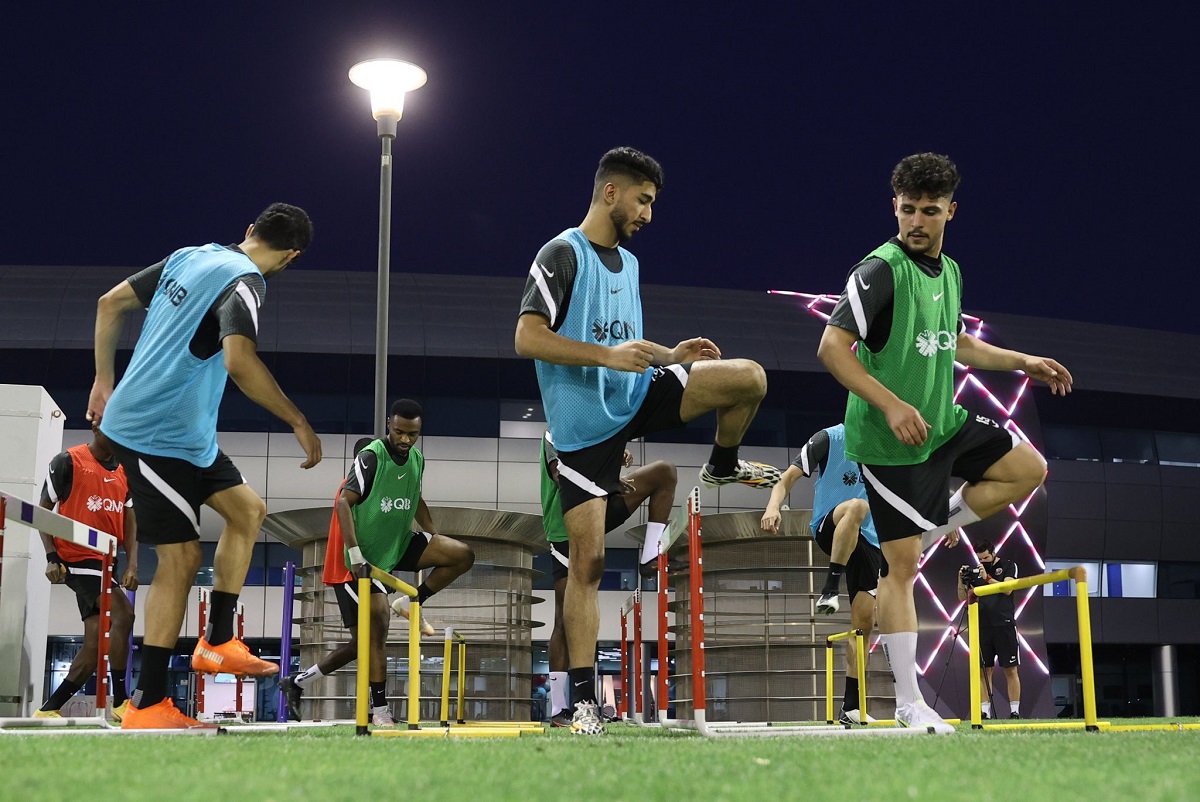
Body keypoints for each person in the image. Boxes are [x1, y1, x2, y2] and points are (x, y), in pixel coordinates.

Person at [515, 146, 780, 736]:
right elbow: (527, 337)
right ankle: (583, 704)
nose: (648, 215)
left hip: (636, 396)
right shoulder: (560, 254)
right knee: (586, 564)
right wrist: (605, 356)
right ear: (611, 192)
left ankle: (723, 464)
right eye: (644, 200)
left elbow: (627, 340)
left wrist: (671, 355)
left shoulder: (629, 266)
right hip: (583, 432)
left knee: (749, 377)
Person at [816, 153, 1072, 734]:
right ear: (895, 207)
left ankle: (933, 525)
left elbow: (956, 344)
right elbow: (831, 349)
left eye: (929, 211)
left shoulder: (951, 272)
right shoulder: (878, 270)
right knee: (900, 570)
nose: (916, 221)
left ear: (950, 212)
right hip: (889, 440)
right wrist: (890, 403)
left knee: (1027, 469)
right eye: (908, 209)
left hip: (943, 425)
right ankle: (909, 703)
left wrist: (1022, 361)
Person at [87, 202, 323, 729]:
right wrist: (298, 420)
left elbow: (109, 304)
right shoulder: (246, 283)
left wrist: (104, 379)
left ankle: (216, 642)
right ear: (291, 257)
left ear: (249, 230)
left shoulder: (190, 256)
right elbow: (240, 361)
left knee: (247, 511)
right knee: (181, 557)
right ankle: (146, 705)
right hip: (152, 437)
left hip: (189, 439)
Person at [281, 400, 474, 726]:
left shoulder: (416, 460)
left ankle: (412, 601)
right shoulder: (369, 460)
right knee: (371, 638)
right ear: (388, 425)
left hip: (393, 550)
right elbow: (344, 502)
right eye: (399, 432)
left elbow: (415, 498)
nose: (405, 439)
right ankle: (377, 709)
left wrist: (432, 534)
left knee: (461, 555)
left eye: (412, 434)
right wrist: (356, 556)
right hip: (354, 565)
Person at [541, 430, 677, 727]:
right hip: (566, 524)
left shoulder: (600, 425)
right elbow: (559, 475)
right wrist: (609, 477)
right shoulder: (557, 430)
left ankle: (649, 556)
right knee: (564, 621)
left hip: (600, 507)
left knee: (663, 472)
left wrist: (614, 462)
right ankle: (560, 710)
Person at [760, 423, 882, 724]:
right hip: (831, 524)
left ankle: (852, 708)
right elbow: (785, 479)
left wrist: (949, 521)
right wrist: (773, 506)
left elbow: (918, 487)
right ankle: (830, 587)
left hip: (870, 541)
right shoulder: (828, 438)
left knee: (862, 628)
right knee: (856, 506)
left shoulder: (886, 444)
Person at [34, 424, 138, 721]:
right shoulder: (67, 461)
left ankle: (48, 709)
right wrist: (51, 556)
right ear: (98, 428)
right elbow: (42, 510)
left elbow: (130, 523)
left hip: (107, 561)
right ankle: (121, 701)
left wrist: (132, 564)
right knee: (124, 615)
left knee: (94, 646)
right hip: (76, 558)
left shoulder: (124, 471)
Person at [957, 539, 1021, 719]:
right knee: (984, 670)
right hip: (981, 626)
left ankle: (1014, 711)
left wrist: (987, 578)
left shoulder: (1008, 566)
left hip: (1004, 624)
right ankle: (984, 712)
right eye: (980, 558)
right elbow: (963, 597)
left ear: (993, 553)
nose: (983, 561)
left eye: (986, 557)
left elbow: (1008, 589)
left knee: (1011, 669)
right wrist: (961, 579)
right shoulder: (976, 571)